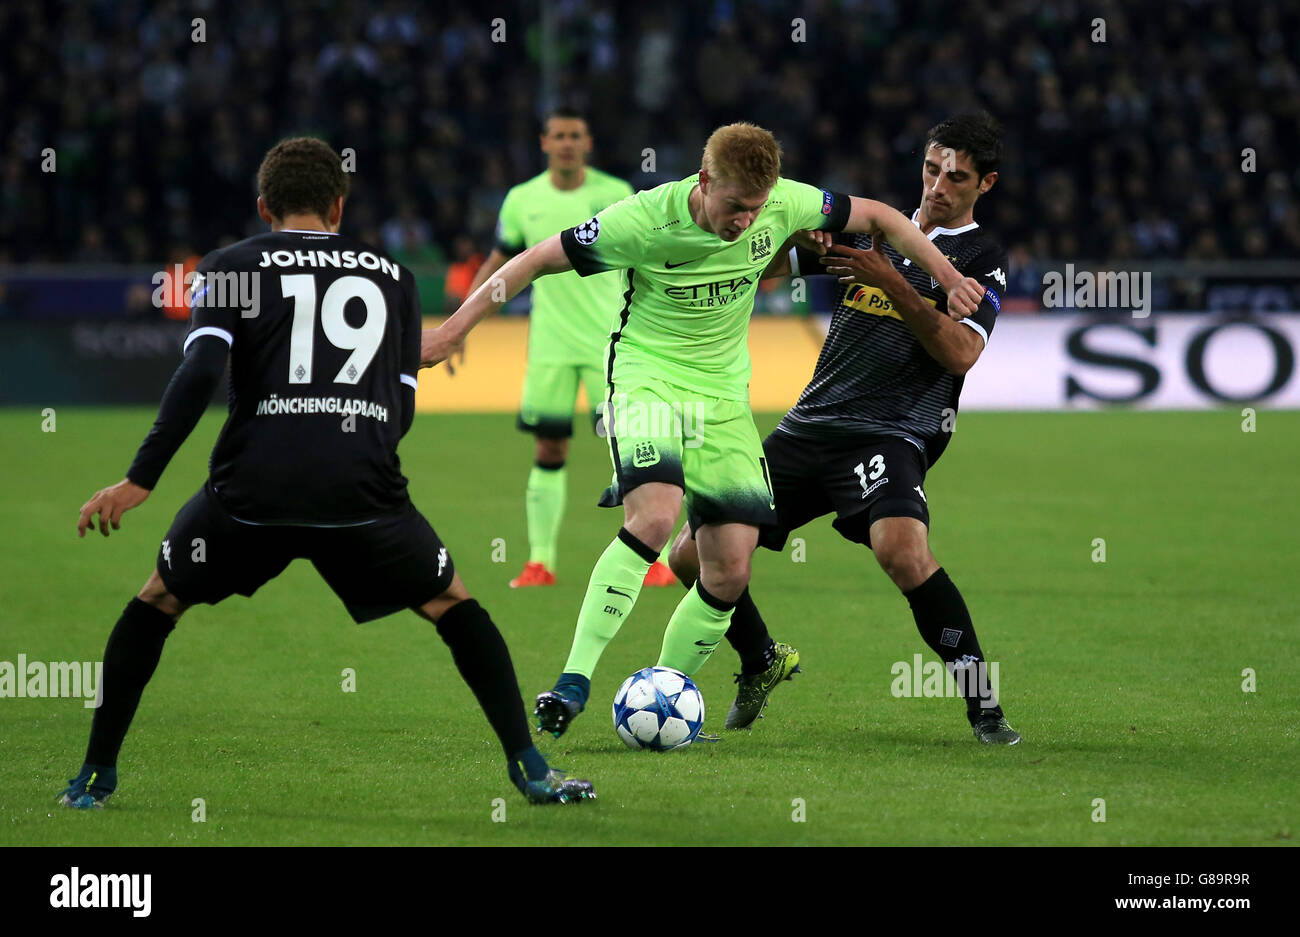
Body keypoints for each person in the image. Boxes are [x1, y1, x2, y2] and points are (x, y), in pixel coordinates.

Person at [60, 137, 594, 809]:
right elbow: (398, 409)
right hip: (362, 495)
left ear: (264, 207)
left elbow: (199, 372)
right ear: (339, 206)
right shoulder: (393, 277)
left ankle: (95, 776)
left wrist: (141, 477)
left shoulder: (227, 267)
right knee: (454, 604)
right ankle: (532, 769)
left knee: (157, 602)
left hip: (249, 492)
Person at [421, 122, 984, 738]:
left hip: (723, 399)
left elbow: (883, 218)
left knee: (729, 568)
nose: (747, 222)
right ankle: (572, 681)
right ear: (704, 179)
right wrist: (453, 330)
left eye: (758, 209)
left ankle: (662, 700)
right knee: (657, 518)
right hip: (649, 378)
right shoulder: (640, 220)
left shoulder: (785, 201)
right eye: (736, 207)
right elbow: (529, 262)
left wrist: (950, 279)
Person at [672, 112, 1020, 743]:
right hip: (809, 426)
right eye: (931, 169)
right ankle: (760, 660)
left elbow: (962, 355)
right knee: (689, 555)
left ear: (985, 184)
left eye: (958, 177)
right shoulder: (869, 232)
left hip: (891, 431)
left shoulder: (982, 259)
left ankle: (983, 704)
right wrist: (787, 240)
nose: (938, 186)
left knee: (901, 550)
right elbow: (764, 266)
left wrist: (896, 285)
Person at [464, 109, 675, 588]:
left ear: (587, 142)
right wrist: (464, 322)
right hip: (550, 347)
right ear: (544, 142)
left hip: (612, 347)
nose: (565, 143)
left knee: (635, 451)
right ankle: (540, 562)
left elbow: (646, 259)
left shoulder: (614, 194)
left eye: (574, 136)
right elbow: (502, 261)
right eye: (557, 135)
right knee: (549, 447)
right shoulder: (522, 199)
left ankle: (653, 561)